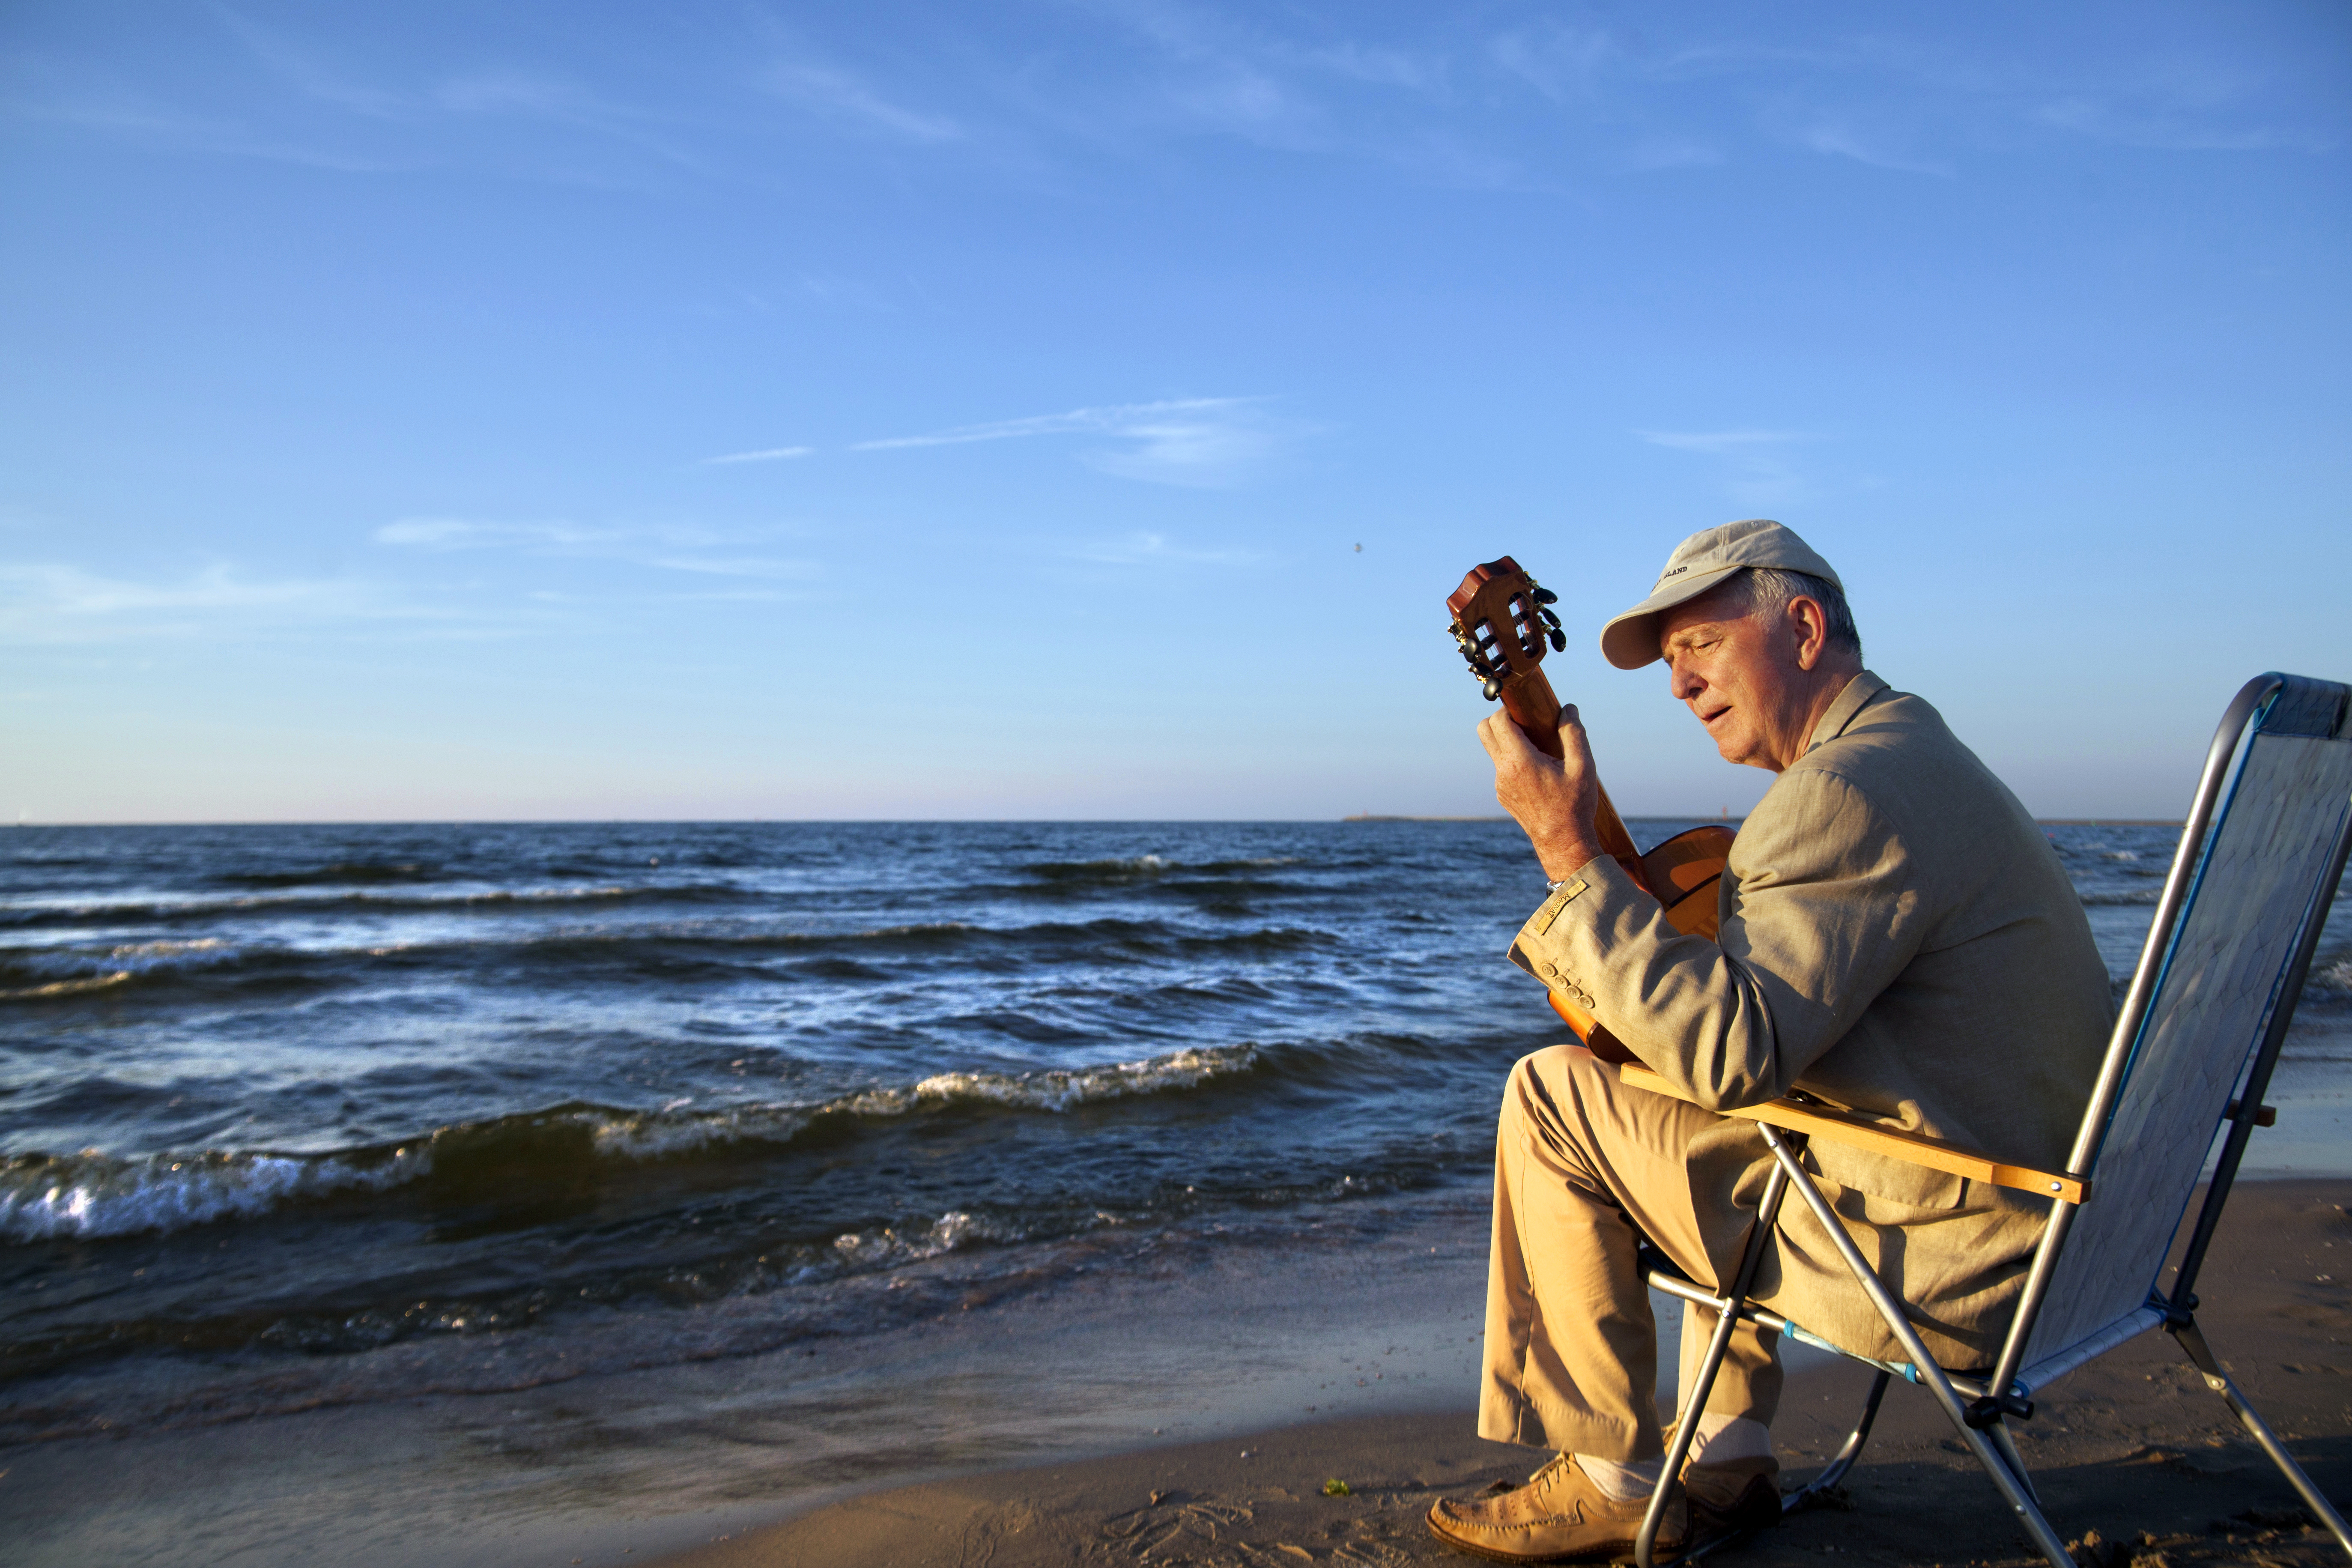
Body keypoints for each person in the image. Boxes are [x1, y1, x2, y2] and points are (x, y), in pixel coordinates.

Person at [1424, 520, 2112, 1563]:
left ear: (1801, 627)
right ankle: (1728, 1450)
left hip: (1955, 1268)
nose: (1678, 685)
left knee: (1551, 1093)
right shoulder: (1922, 755)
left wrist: (1567, 850)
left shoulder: (1838, 794)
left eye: (1699, 645)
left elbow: (1729, 1058)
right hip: (2072, 1244)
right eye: (1668, 665)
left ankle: (1611, 1470)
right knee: (1733, 1115)